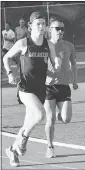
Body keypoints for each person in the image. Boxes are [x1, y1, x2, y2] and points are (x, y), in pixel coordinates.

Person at [3, 11, 62, 167]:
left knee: (28, 123)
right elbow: (6, 57)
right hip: (25, 88)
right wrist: (9, 73)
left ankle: (12, 151)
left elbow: (54, 60)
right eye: (38, 24)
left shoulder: (49, 44)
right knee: (40, 114)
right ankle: (23, 141)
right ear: (30, 26)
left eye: (43, 24)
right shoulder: (23, 43)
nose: (41, 27)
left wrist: (56, 64)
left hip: (40, 89)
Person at [44, 18, 78, 158]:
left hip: (64, 86)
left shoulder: (69, 46)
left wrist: (75, 80)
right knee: (50, 119)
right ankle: (50, 146)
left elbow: (74, 64)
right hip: (48, 87)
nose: (60, 31)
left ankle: (61, 114)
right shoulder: (44, 46)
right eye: (57, 28)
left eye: (62, 29)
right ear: (50, 30)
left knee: (66, 119)